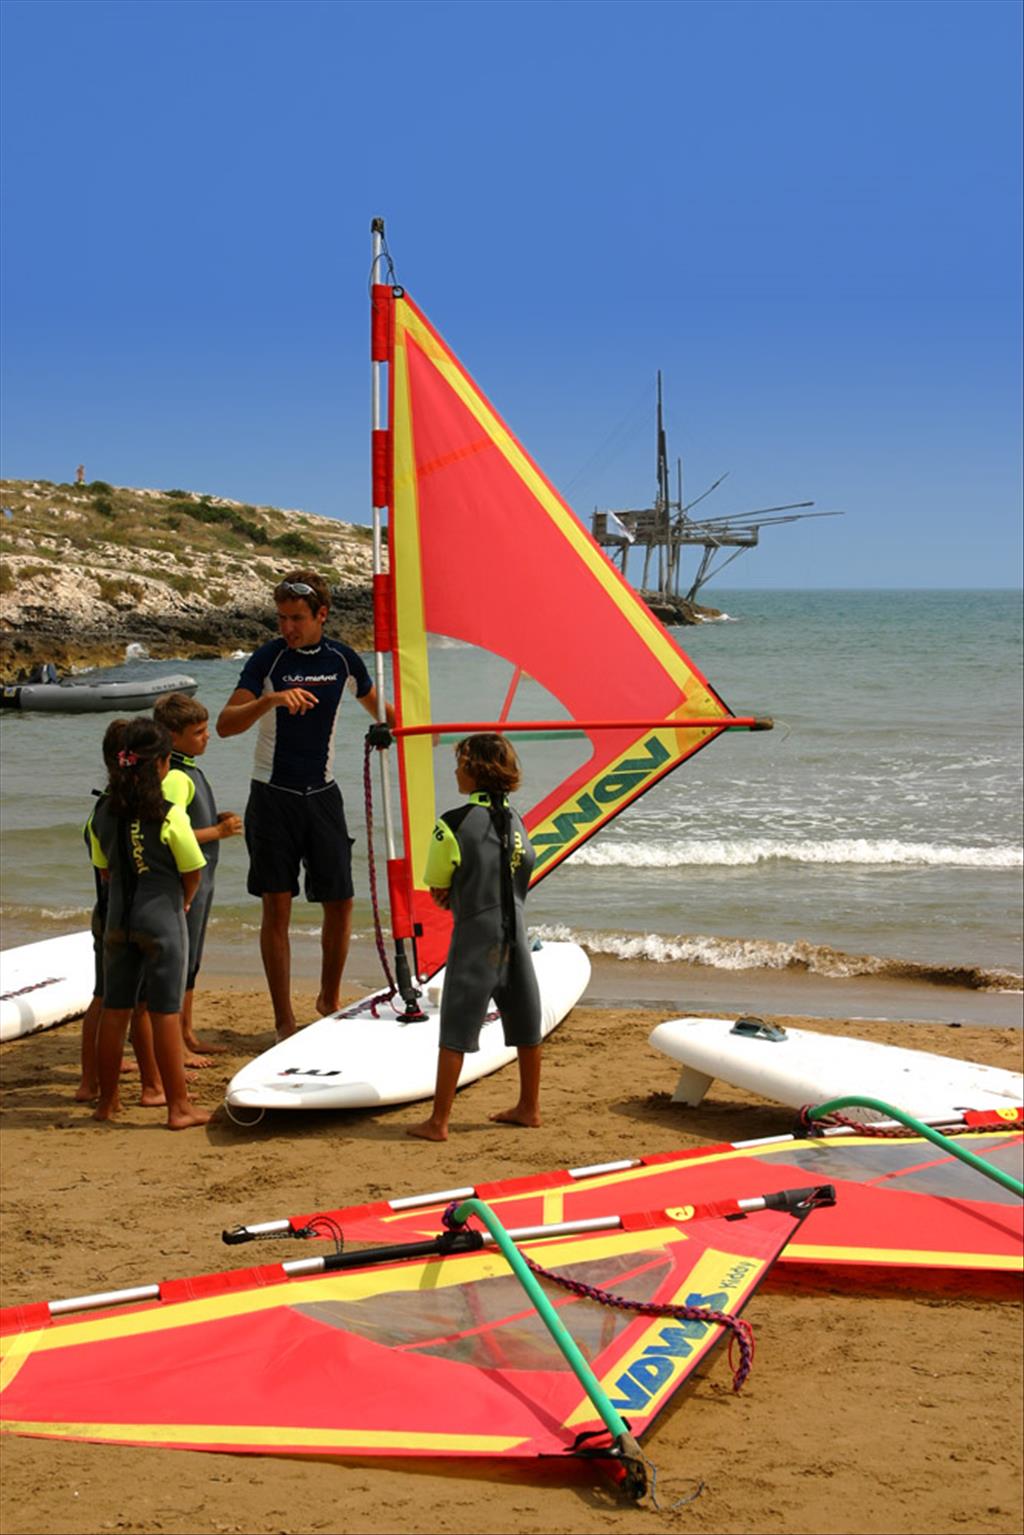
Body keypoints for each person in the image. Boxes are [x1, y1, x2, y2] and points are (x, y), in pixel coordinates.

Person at [216, 570, 393, 1038]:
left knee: (341, 901)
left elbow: (384, 714)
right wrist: (270, 700)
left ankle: (328, 998)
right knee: (277, 905)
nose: (287, 627)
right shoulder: (268, 658)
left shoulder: (342, 659)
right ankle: (282, 1020)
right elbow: (225, 724)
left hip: (323, 794)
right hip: (272, 796)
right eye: (281, 618)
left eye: (296, 618)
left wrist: (409, 730)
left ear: (321, 615)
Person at [408, 733, 542, 1143]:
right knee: (526, 1022)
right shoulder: (519, 820)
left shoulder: (453, 822)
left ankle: (438, 1122)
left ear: (475, 769)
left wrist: (452, 891)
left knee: (457, 1027)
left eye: (460, 762)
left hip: (475, 941)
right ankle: (529, 1107)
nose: (455, 769)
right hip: (516, 936)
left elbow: (436, 883)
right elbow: (523, 871)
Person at [88, 716, 210, 1130]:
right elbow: (193, 869)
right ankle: (178, 1107)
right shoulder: (170, 814)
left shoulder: (103, 812)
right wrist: (186, 901)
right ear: (160, 765)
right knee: (164, 1013)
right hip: (161, 921)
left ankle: (107, 1103)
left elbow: (103, 866)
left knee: (115, 1012)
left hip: (117, 922)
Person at [74, 718, 164, 1107]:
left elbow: (104, 865)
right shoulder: (138, 809)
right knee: (137, 1005)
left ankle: (90, 1082)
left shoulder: (102, 809)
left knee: (104, 997)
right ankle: (152, 1086)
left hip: (106, 913)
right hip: (131, 916)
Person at [154, 692, 243, 1065]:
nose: (207, 737)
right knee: (179, 961)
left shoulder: (188, 767)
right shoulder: (175, 775)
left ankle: (186, 1032)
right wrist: (219, 832)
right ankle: (175, 1039)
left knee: (191, 959)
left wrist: (212, 820)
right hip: (186, 882)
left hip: (201, 880)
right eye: (198, 732)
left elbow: (188, 822)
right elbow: (167, 829)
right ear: (172, 737)